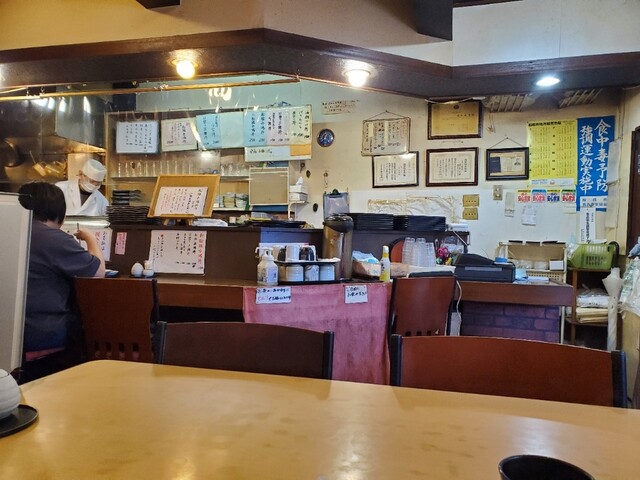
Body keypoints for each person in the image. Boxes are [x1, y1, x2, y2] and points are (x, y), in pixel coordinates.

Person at [16, 181, 106, 383]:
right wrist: (90, 239)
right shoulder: (53, 238)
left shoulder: (11, 230)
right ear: (58, 212)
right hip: (42, 335)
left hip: (12, 338)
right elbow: (98, 272)